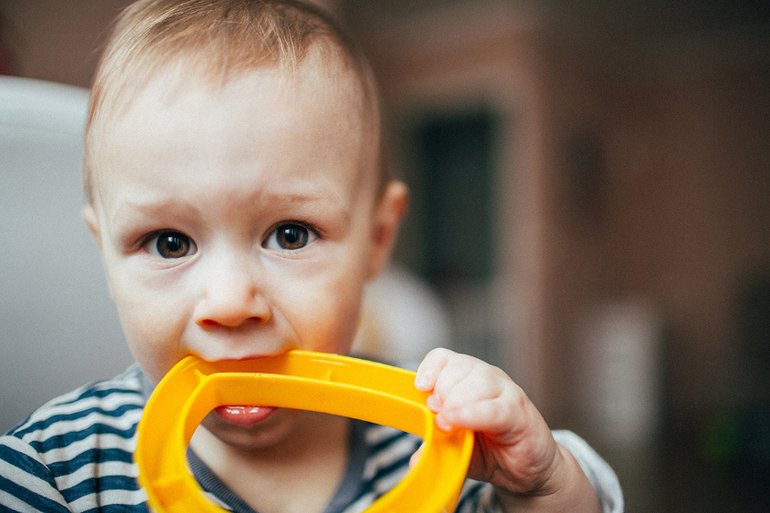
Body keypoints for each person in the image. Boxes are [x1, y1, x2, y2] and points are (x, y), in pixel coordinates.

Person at [0, 1, 623, 512]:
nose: (230, 303)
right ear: (105, 255)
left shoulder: (439, 444)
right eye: (170, 243)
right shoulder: (53, 470)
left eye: (290, 235)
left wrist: (543, 487)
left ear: (376, 241)